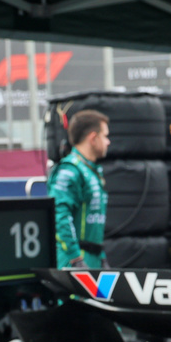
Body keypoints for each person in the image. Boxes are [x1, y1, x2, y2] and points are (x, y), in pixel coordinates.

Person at [50, 110, 110, 269]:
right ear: (93, 138)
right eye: (105, 136)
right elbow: (59, 216)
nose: (108, 142)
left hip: (93, 260)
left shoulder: (92, 170)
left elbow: (94, 226)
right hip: (73, 262)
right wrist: (76, 258)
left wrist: (101, 256)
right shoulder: (70, 170)